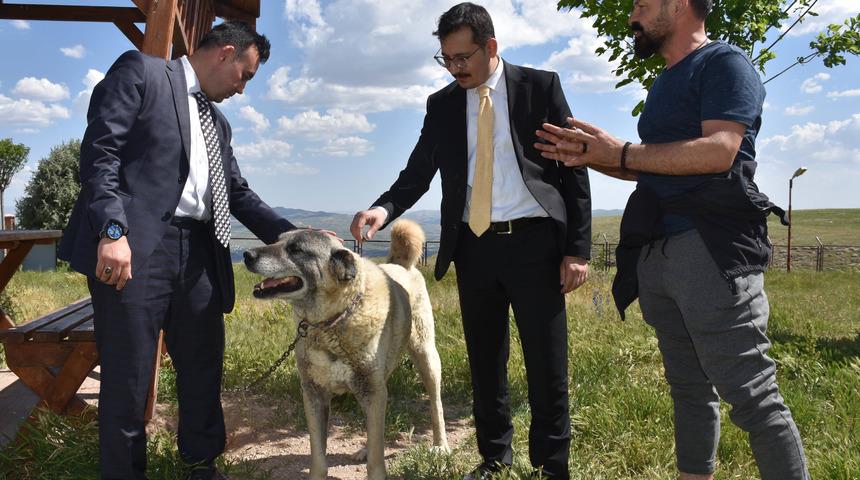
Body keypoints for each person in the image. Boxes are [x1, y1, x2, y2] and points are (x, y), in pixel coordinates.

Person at [534, 1, 810, 479]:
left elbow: (720, 151)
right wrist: (593, 155)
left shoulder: (724, 63)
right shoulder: (665, 79)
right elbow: (652, 166)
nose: (631, 16)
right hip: (659, 252)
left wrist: (620, 150)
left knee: (753, 397)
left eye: (641, 4)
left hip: (711, 251)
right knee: (687, 388)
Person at [350, 3, 591, 479]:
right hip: (474, 249)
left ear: (491, 47)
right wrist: (383, 209)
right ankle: (495, 459)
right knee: (486, 363)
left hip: (535, 245)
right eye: (447, 59)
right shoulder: (441, 105)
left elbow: (572, 169)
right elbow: (418, 171)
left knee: (546, 365)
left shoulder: (539, 88)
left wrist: (577, 249)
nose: (456, 68)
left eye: (463, 58)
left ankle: (550, 467)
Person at [59, 22, 296, 480]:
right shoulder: (142, 74)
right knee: (128, 379)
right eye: (245, 75)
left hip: (201, 255)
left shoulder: (217, 122)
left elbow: (238, 193)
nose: (243, 89)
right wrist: (112, 231)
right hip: (135, 248)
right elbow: (100, 153)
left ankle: (202, 466)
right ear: (226, 53)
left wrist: (294, 234)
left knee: (203, 368)